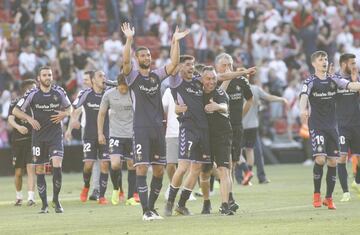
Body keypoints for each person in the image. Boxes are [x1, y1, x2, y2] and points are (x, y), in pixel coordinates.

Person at [121, 22, 189, 221]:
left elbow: (174, 64)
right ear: (137, 58)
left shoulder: (155, 76)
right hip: (141, 128)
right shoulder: (132, 77)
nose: (147, 58)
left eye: (149, 55)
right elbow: (125, 61)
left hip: (158, 128)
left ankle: (151, 209)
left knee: (159, 170)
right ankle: (145, 211)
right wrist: (129, 40)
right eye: (143, 55)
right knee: (141, 167)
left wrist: (175, 42)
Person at [299, 51, 360, 210]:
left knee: (333, 161)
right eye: (321, 59)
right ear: (314, 64)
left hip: (333, 127)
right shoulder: (310, 81)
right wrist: (302, 109)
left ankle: (329, 198)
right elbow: (304, 95)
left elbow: (349, 85)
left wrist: (356, 84)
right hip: (317, 125)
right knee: (320, 159)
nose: (324, 62)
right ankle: (317, 194)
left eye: (326, 59)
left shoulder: (334, 79)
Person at [13, 66, 72, 213]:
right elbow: (15, 111)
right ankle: (44, 204)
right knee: (39, 169)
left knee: (57, 165)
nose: (48, 77)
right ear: (39, 78)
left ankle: (56, 200)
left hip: (55, 135)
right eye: (44, 75)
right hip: (38, 136)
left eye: (50, 75)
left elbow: (70, 108)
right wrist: (29, 118)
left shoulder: (59, 91)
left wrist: (64, 114)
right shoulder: (32, 93)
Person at [214, 53, 254, 204]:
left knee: (233, 163)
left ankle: (228, 196)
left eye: (229, 64)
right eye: (224, 65)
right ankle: (226, 196)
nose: (227, 68)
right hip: (218, 128)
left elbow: (250, 99)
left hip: (236, 127)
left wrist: (240, 116)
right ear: (217, 66)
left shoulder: (241, 81)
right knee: (224, 165)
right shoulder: (214, 81)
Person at [97, 73, 139, 206]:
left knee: (132, 165)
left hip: (131, 134)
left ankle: (131, 197)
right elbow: (102, 114)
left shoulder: (133, 93)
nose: (124, 90)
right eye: (121, 88)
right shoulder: (109, 95)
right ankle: (116, 188)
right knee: (115, 164)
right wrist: (100, 133)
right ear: (117, 86)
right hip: (115, 134)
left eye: (126, 88)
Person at [71, 70, 110, 205]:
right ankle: (86, 186)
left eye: (104, 76)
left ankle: (102, 196)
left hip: (105, 134)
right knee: (88, 165)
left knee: (105, 164)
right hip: (89, 134)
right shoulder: (85, 94)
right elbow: (74, 107)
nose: (103, 78)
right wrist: (74, 119)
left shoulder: (108, 93)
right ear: (93, 80)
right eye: (100, 76)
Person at [242, 73, 288, 185]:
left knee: (237, 153)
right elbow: (268, 98)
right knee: (253, 151)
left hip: (240, 125)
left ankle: (244, 175)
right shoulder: (255, 89)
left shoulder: (235, 90)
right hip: (253, 125)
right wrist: (281, 99)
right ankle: (258, 176)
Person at [201, 66, 236, 215]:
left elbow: (225, 106)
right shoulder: (197, 92)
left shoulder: (220, 93)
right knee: (204, 172)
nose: (211, 82)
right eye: (208, 78)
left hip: (222, 135)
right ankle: (206, 203)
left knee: (224, 169)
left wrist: (217, 106)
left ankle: (225, 205)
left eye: (214, 78)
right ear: (202, 79)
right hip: (205, 137)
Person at [65, 71, 101, 201]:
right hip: (87, 130)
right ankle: (89, 186)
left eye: (86, 79)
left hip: (104, 130)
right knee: (90, 162)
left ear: (93, 80)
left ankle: (97, 189)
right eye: (84, 79)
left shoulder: (104, 92)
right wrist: (69, 128)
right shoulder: (83, 93)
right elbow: (76, 110)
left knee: (99, 161)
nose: (84, 82)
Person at [334, 53, 360, 202]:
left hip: (357, 123)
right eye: (352, 63)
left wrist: (355, 79)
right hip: (342, 125)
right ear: (344, 64)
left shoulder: (356, 77)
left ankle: (356, 182)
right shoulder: (336, 79)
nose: (355, 66)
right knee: (342, 157)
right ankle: (345, 192)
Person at [8, 79, 37, 206]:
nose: (36, 90)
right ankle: (19, 196)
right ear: (26, 90)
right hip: (18, 141)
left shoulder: (37, 103)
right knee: (19, 172)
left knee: (31, 168)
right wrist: (18, 127)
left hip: (32, 140)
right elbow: (10, 119)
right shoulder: (15, 103)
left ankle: (31, 198)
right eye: (33, 88)